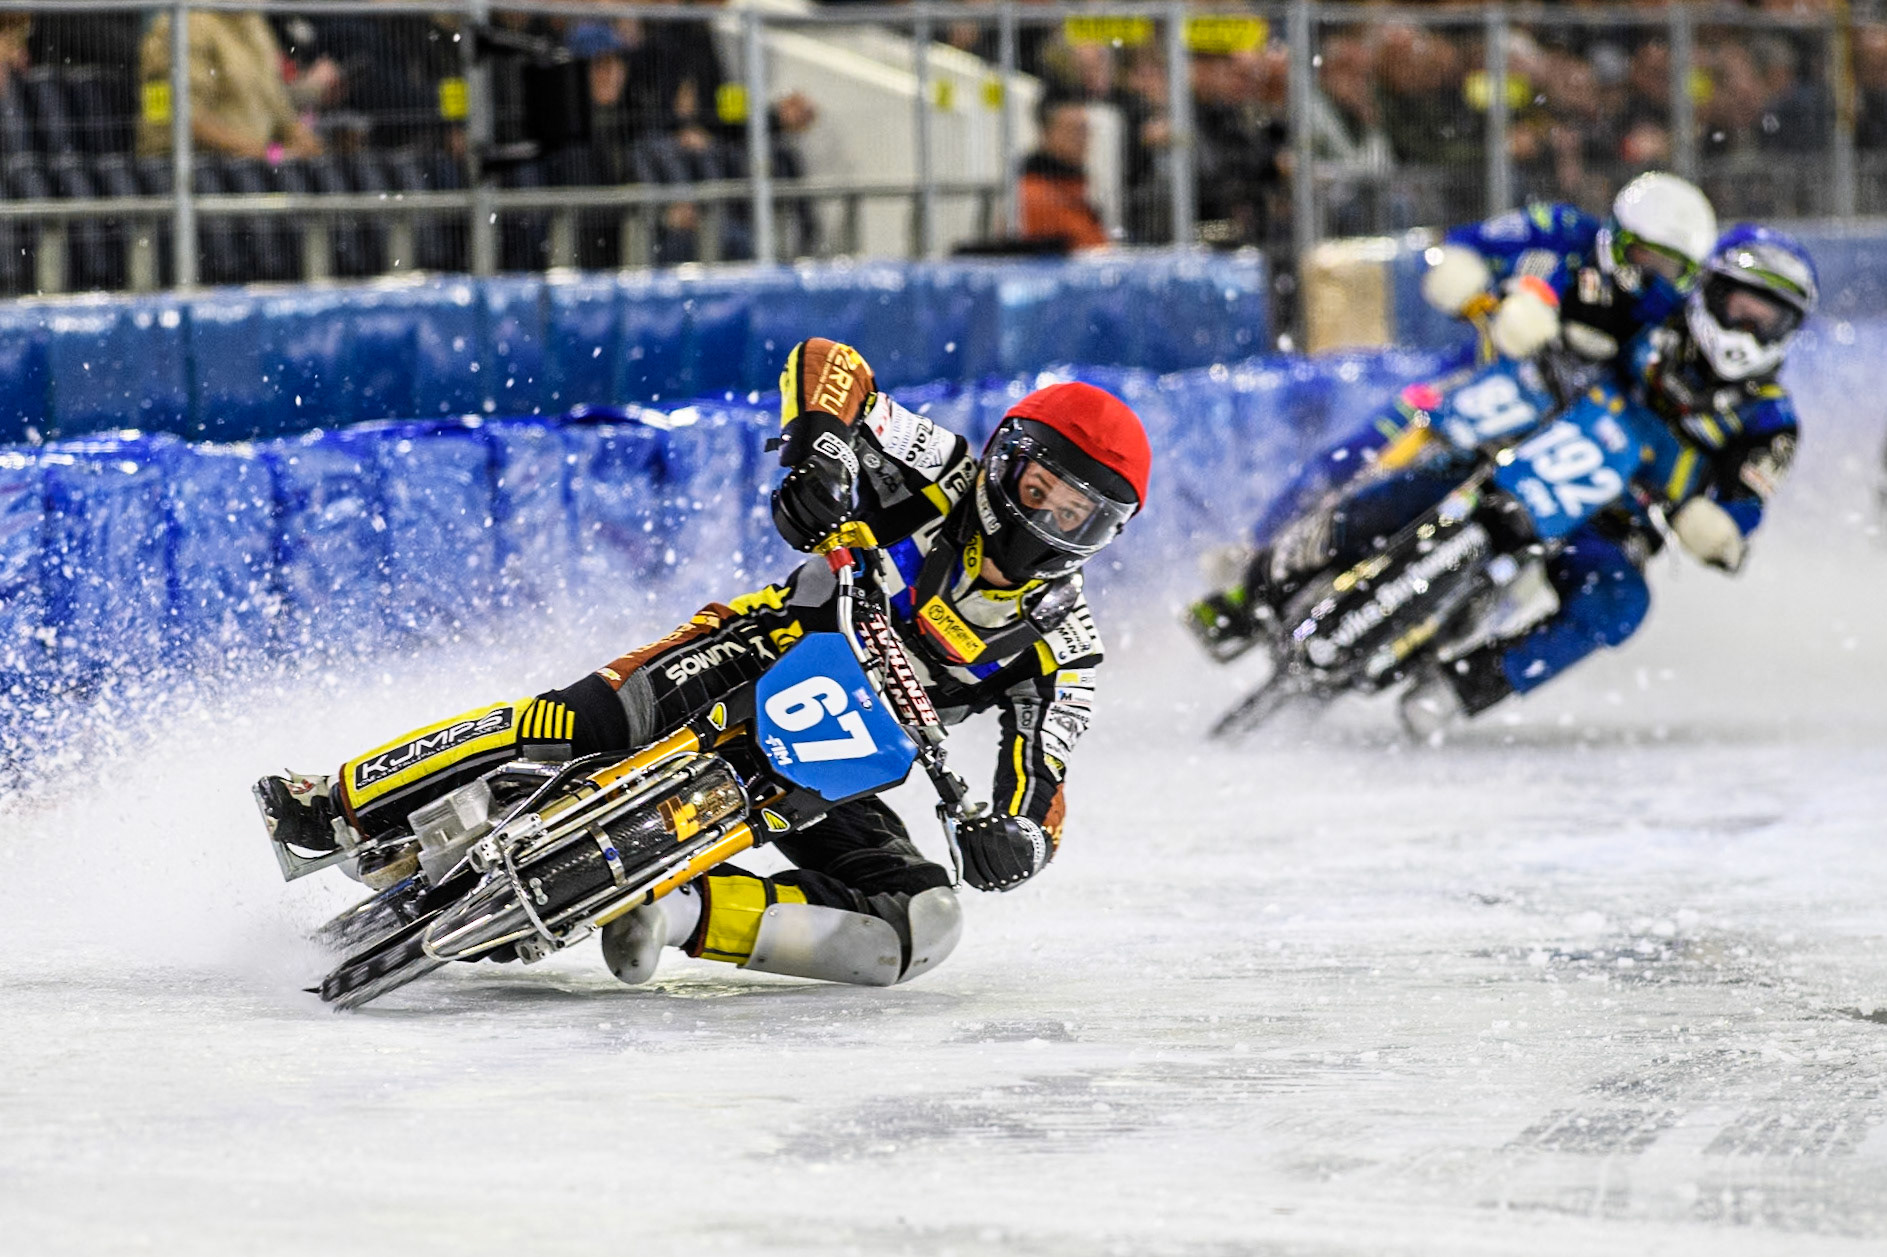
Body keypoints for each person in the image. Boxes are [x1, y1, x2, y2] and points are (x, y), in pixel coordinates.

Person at [257, 340, 1150, 987]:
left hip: (835, 768)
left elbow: (1043, 784)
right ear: (1005, 461)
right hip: (762, 648)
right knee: (581, 722)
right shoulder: (945, 468)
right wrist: (823, 446)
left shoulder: (1063, 649)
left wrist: (1017, 839)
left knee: (926, 922)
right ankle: (336, 800)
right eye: (1039, 490)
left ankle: (674, 911)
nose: (1045, 522)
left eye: (1077, 516)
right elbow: (829, 363)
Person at [1186, 172, 1717, 659]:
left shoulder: (1677, 323)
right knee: (1366, 449)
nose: (1651, 277)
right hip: (1478, 386)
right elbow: (1461, 251)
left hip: (1564, 442)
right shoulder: (1560, 230)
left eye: (1669, 268)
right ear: (1616, 237)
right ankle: (1253, 567)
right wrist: (1486, 302)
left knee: (1538, 550)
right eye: (1642, 256)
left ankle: (1437, 641)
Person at [1398, 225, 1816, 735]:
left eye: (1767, 318)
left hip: (1608, 523)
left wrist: (1721, 527)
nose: (1748, 328)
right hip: (1528, 447)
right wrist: (1523, 303)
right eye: (1741, 306)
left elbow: (1748, 499)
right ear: (1711, 291)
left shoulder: (1772, 420)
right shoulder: (1653, 307)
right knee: (1438, 467)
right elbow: (1568, 290)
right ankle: (1321, 543)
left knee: (1619, 603)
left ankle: (1461, 689)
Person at [1017, 97, 1110, 250]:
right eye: (1074, 130)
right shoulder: (1033, 196)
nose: (1083, 138)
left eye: (1086, 129)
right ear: (1047, 132)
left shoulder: (1075, 188)